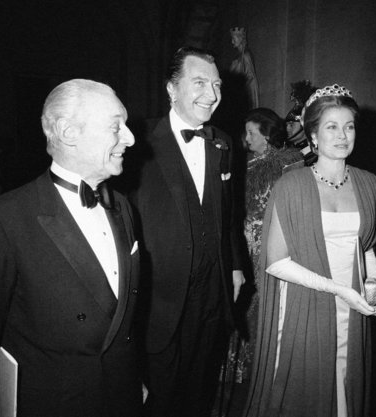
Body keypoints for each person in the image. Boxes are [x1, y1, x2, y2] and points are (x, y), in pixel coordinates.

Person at [0, 79, 143, 417]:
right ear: (68, 132)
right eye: (117, 126)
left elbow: (124, 321)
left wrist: (133, 378)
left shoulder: (123, 207)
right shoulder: (1, 221)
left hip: (121, 396)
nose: (129, 138)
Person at [243, 84, 376, 417]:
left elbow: (365, 247)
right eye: (331, 127)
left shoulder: (368, 184)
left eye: (349, 126)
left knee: (343, 389)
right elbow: (275, 262)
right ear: (312, 135)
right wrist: (340, 291)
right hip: (304, 302)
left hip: (351, 307)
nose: (342, 135)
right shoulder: (291, 185)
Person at [131, 46, 246, 417]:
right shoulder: (137, 141)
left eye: (216, 85)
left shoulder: (223, 143)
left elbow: (229, 215)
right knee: (161, 397)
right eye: (199, 82)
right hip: (159, 296)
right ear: (171, 88)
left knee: (201, 390)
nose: (211, 95)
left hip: (213, 291)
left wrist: (235, 266)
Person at [224, 108, 301, 383]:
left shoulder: (290, 163)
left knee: (266, 303)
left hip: (271, 243)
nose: (246, 138)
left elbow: (294, 210)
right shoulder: (246, 164)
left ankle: (265, 369)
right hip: (244, 244)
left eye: (251, 132)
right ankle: (240, 367)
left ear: (267, 134)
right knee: (243, 300)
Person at [230, 27, 260, 109]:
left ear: (241, 39)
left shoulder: (246, 56)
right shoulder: (237, 58)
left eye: (234, 39)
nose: (232, 42)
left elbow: (250, 76)